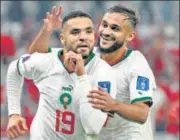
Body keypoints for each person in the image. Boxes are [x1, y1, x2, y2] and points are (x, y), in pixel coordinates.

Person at [28, 5, 156, 140]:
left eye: (115, 28)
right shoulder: (87, 55)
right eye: (104, 25)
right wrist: (47, 30)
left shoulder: (136, 64)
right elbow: (35, 57)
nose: (106, 32)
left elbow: (142, 113)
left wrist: (114, 105)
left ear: (130, 36)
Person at [6, 10, 117, 140]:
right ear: (62, 39)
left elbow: (93, 128)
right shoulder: (47, 61)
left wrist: (81, 76)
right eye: (75, 32)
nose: (83, 37)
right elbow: (15, 68)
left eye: (88, 31)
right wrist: (14, 114)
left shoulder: (104, 74)